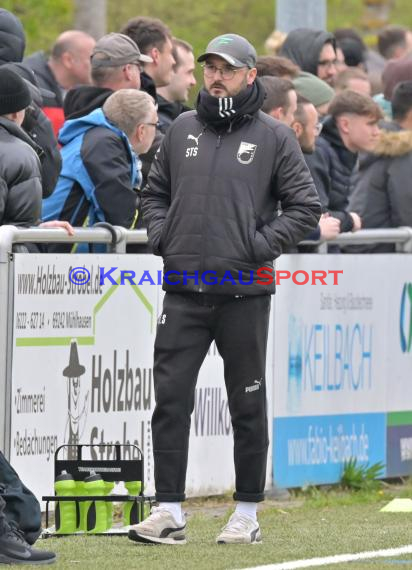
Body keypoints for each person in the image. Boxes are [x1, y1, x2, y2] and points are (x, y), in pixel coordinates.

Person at [128, 33, 321, 546]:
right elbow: (155, 193)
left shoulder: (275, 137)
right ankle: (168, 510)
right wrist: (162, 235)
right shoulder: (182, 128)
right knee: (170, 400)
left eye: (227, 69)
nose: (216, 76)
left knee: (247, 404)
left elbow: (306, 207)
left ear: (250, 75)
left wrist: (258, 246)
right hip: (184, 289)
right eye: (210, 67)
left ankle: (247, 513)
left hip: (245, 293)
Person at [42, 89, 157, 252]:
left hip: (56, 256)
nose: (157, 130)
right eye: (155, 124)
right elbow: (122, 217)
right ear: (142, 130)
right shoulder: (102, 145)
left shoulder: (99, 139)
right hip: (52, 261)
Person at [305, 90, 382, 235]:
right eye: (371, 124)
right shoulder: (317, 152)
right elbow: (316, 216)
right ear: (345, 125)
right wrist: (350, 220)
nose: (377, 132)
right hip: (311, 252)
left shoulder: (350, 153)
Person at [349, 81, 412, 252]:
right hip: (379, 249)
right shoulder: (403, 150)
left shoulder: (375, 142)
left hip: (358, 243)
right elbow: (407, 210)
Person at [63, 33, 152, 121]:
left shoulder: (75, 106)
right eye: (138, 67)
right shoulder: (127, 121)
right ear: (128, 71)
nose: (140, 73)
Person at [24, 30, 96, 135]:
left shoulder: (76, 90)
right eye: (92, 59)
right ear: (68, 60)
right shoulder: (35, 93)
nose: (96, 66)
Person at [157, 38, 196, 133]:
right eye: (189, 72)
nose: (193, 81)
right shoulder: (148, 122)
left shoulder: (186, 120)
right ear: (169, 68)